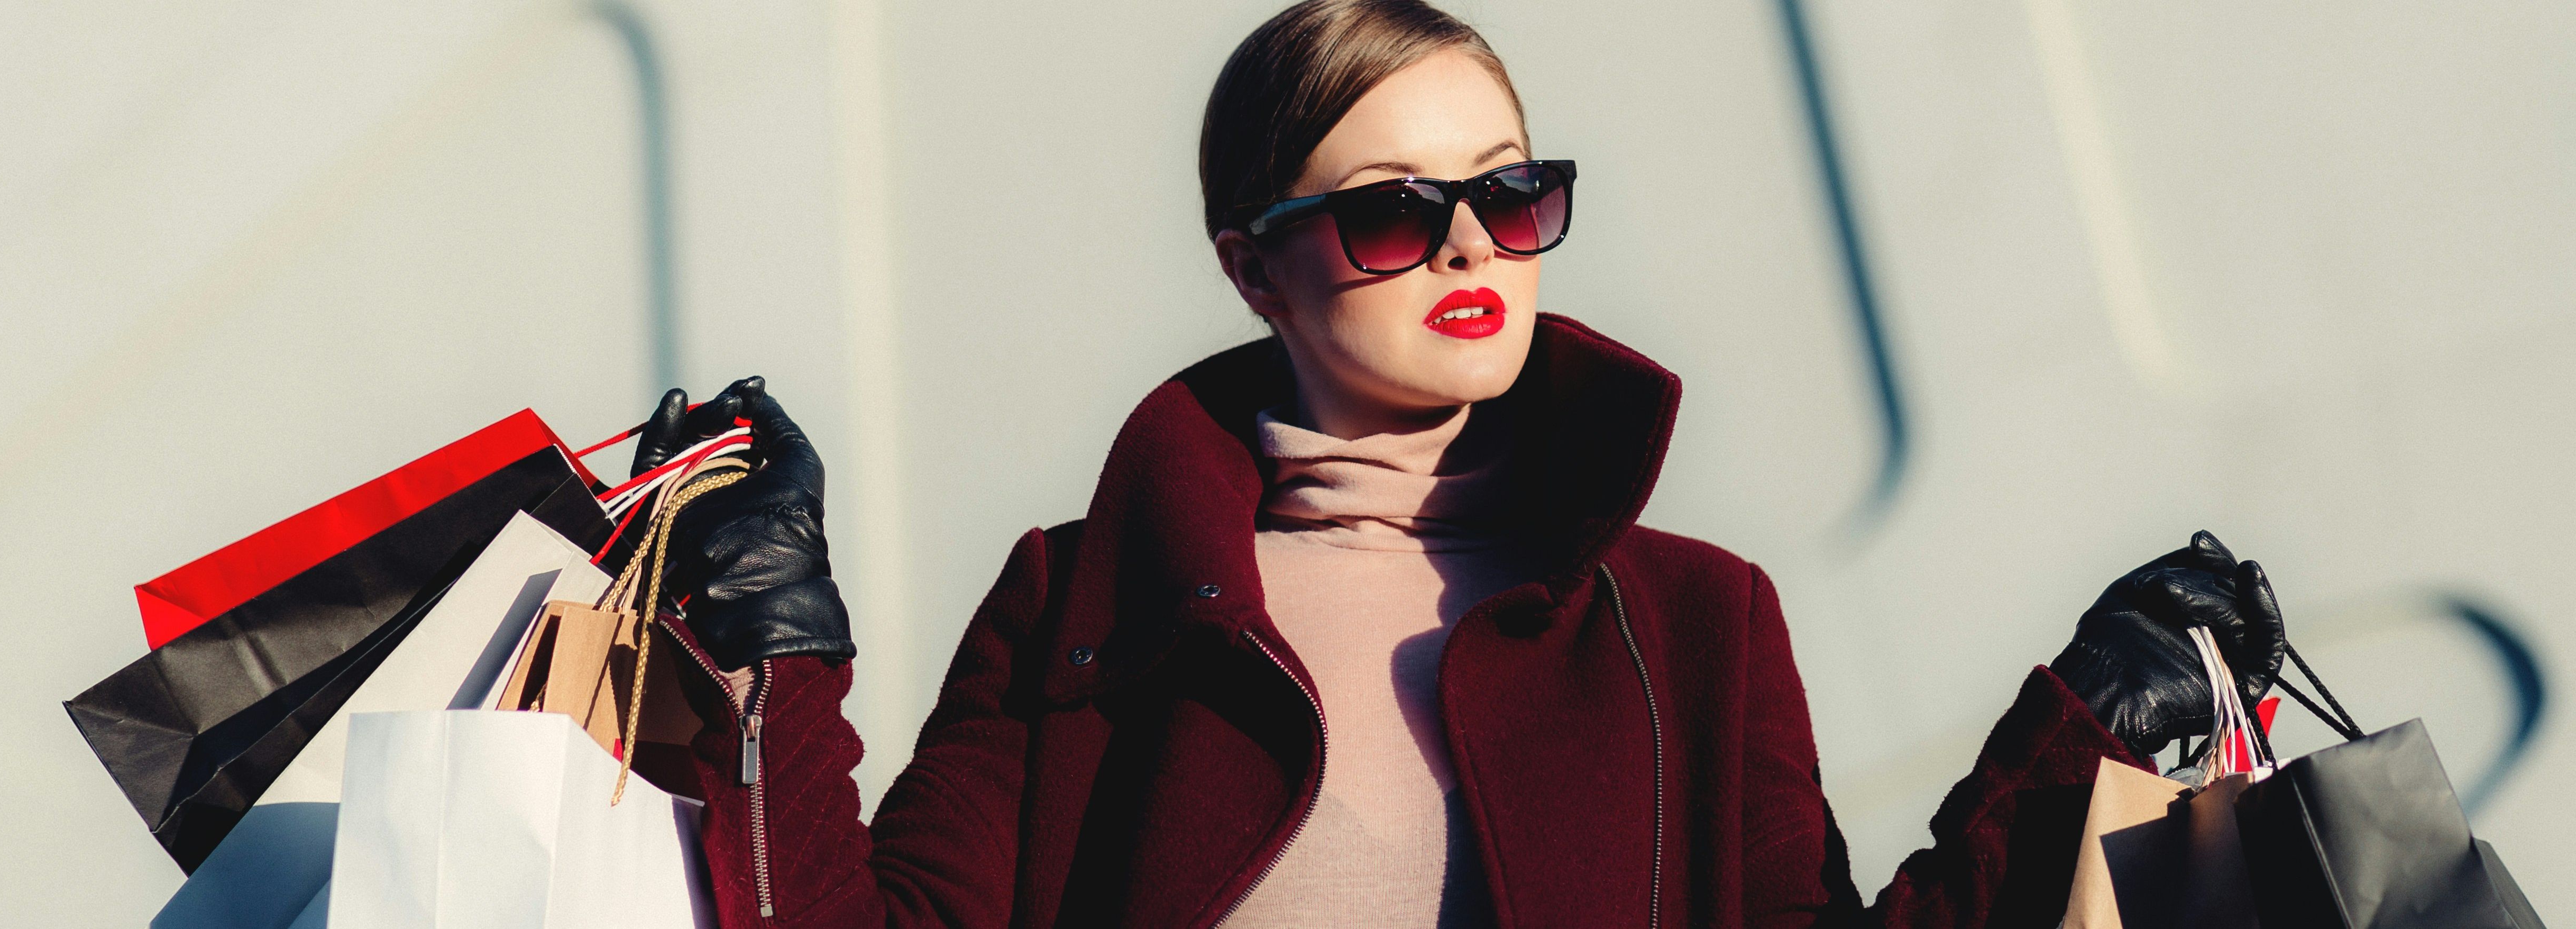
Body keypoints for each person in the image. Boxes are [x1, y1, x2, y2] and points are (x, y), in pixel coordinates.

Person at [622, 2, 2288, 925]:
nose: (1466, 245)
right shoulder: (1086, 594)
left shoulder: (1695, 618)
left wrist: (2072, 741)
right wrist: (774, 652)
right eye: (1385, 211)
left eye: (1510, 191)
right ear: (1248, 264)